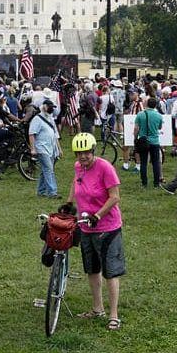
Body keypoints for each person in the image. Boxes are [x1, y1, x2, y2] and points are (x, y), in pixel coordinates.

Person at [68, 133, 125, 331]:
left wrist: (98, 216)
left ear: (93, 151)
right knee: (92, 269)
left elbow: (115, 197)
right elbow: (75, 183)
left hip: (107, 228)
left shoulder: (105, 168)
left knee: (110, 271)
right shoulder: (79, 168)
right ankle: (97, 308)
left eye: (86, 153)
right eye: (79, 153)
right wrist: (69, 203)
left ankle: (114, 314)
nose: (83, 157)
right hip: (85, 227)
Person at [28, 100, 61, 198]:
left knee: (45, 170)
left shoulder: (50, 118)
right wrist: (33, 149)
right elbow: (31, 134)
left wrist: (59, 148)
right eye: (50, 106)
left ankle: (41, 191)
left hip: (51, 148)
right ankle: (52, 192)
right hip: (41, 148)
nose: (52, 109)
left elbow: (55, 134)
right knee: (49, 169)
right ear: (45, 106)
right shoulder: (37, 119)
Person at [133, 97, 165, 188]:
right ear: (155, 105)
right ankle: (156, 183)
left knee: (143, 162)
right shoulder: (159, 115)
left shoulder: (140, 114)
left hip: (143, 140)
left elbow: (136, 128)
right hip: (155, 141)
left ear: (146, 104)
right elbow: (159, 127)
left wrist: (135, 138)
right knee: (156, 162)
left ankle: (144, 183)